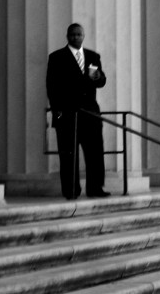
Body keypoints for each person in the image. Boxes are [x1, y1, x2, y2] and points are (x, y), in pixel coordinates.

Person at [46, 23, 109, 200]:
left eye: (79, 34)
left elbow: (101, 81)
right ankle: (71, 190)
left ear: (83, 36)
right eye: (72, 35)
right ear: (67, 36)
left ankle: (95, 187)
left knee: (95, 153)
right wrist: (58, 114)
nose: (75, 37)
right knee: (68, 154)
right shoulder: (57, 57)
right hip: (67, 114)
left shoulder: (92, 56)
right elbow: (52, 87)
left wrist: (98, 77)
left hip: (90, 114)